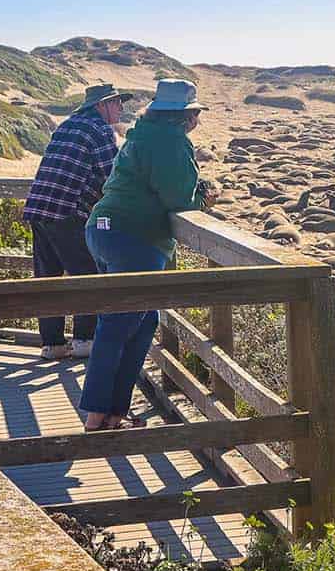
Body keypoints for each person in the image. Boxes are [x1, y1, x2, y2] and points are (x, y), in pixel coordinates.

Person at [79, 79, 217, 430]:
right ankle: (97, 417)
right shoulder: (170, 141)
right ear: (184, 116)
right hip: (134, 238)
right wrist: (203, 198)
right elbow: (179, 200)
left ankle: (114, 412)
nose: (197, 119)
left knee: (141, 322)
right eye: (195, 112)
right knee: (119, 324)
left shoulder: (142, 133)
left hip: (103, 228)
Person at [21, 83, 131, 359]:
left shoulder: (68, 124)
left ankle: (52, 344)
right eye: (117, 102)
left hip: (39, 207)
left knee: (48, 279)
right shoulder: (100, 130)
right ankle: (84, 340)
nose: (121, 107)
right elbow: (111, 175)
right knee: (87, 276)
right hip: (67, 210)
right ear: (102, 105)